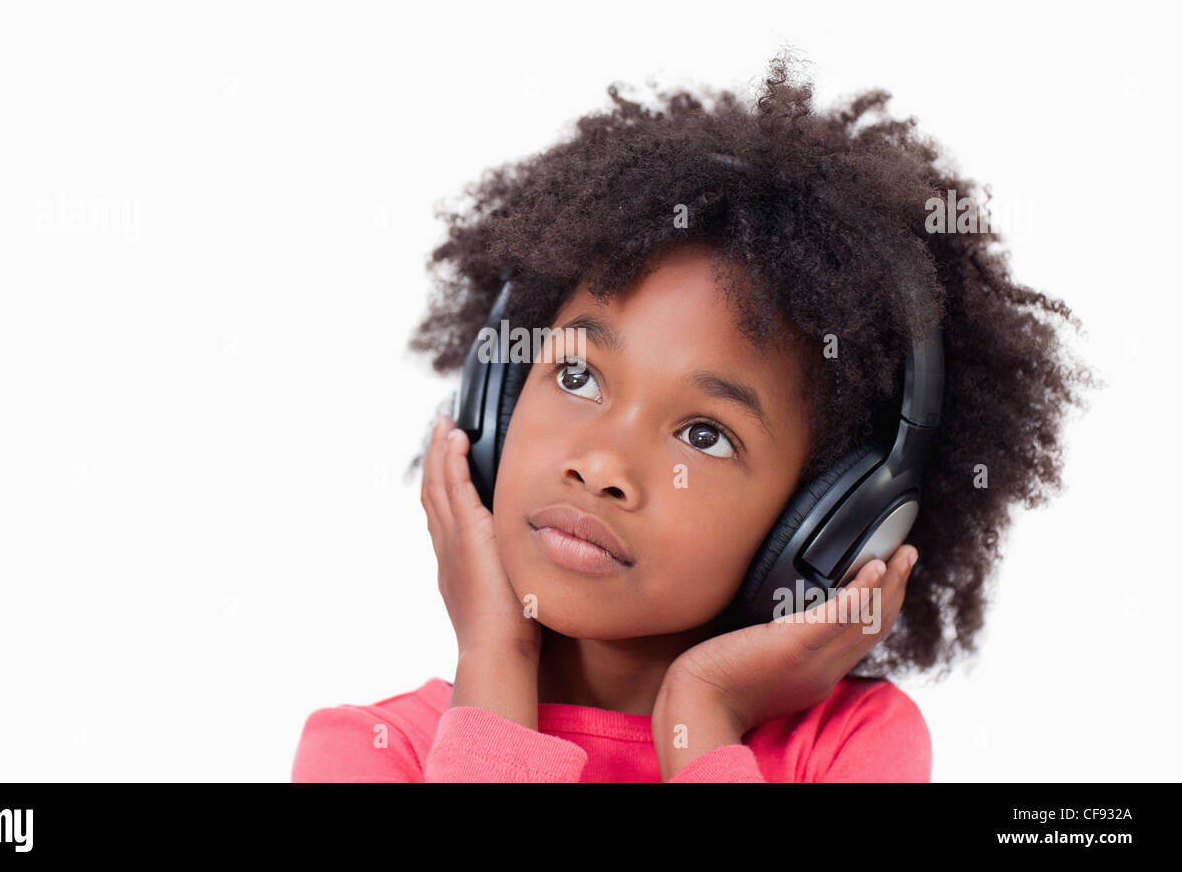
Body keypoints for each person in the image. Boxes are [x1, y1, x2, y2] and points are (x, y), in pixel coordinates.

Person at [291, 52, 1093, 782]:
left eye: (703, 433)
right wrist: (495, 661)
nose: (600, 465)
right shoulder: (366, 751)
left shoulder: (854, 746)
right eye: (577, 374)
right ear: (492, 398)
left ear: (829, 525)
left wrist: (701, 716)